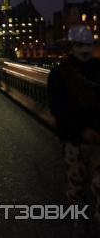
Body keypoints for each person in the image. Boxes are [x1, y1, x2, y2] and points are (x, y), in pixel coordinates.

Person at [48, 25, 100, 235]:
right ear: (72, 46)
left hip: (92, 137)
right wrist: (83, 130)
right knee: (76, 184)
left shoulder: (61, 72)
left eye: (87, 44)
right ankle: (79, 223)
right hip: (74, 139)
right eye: (80, 45)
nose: (84, 49)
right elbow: (59, 108)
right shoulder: (59, 74)